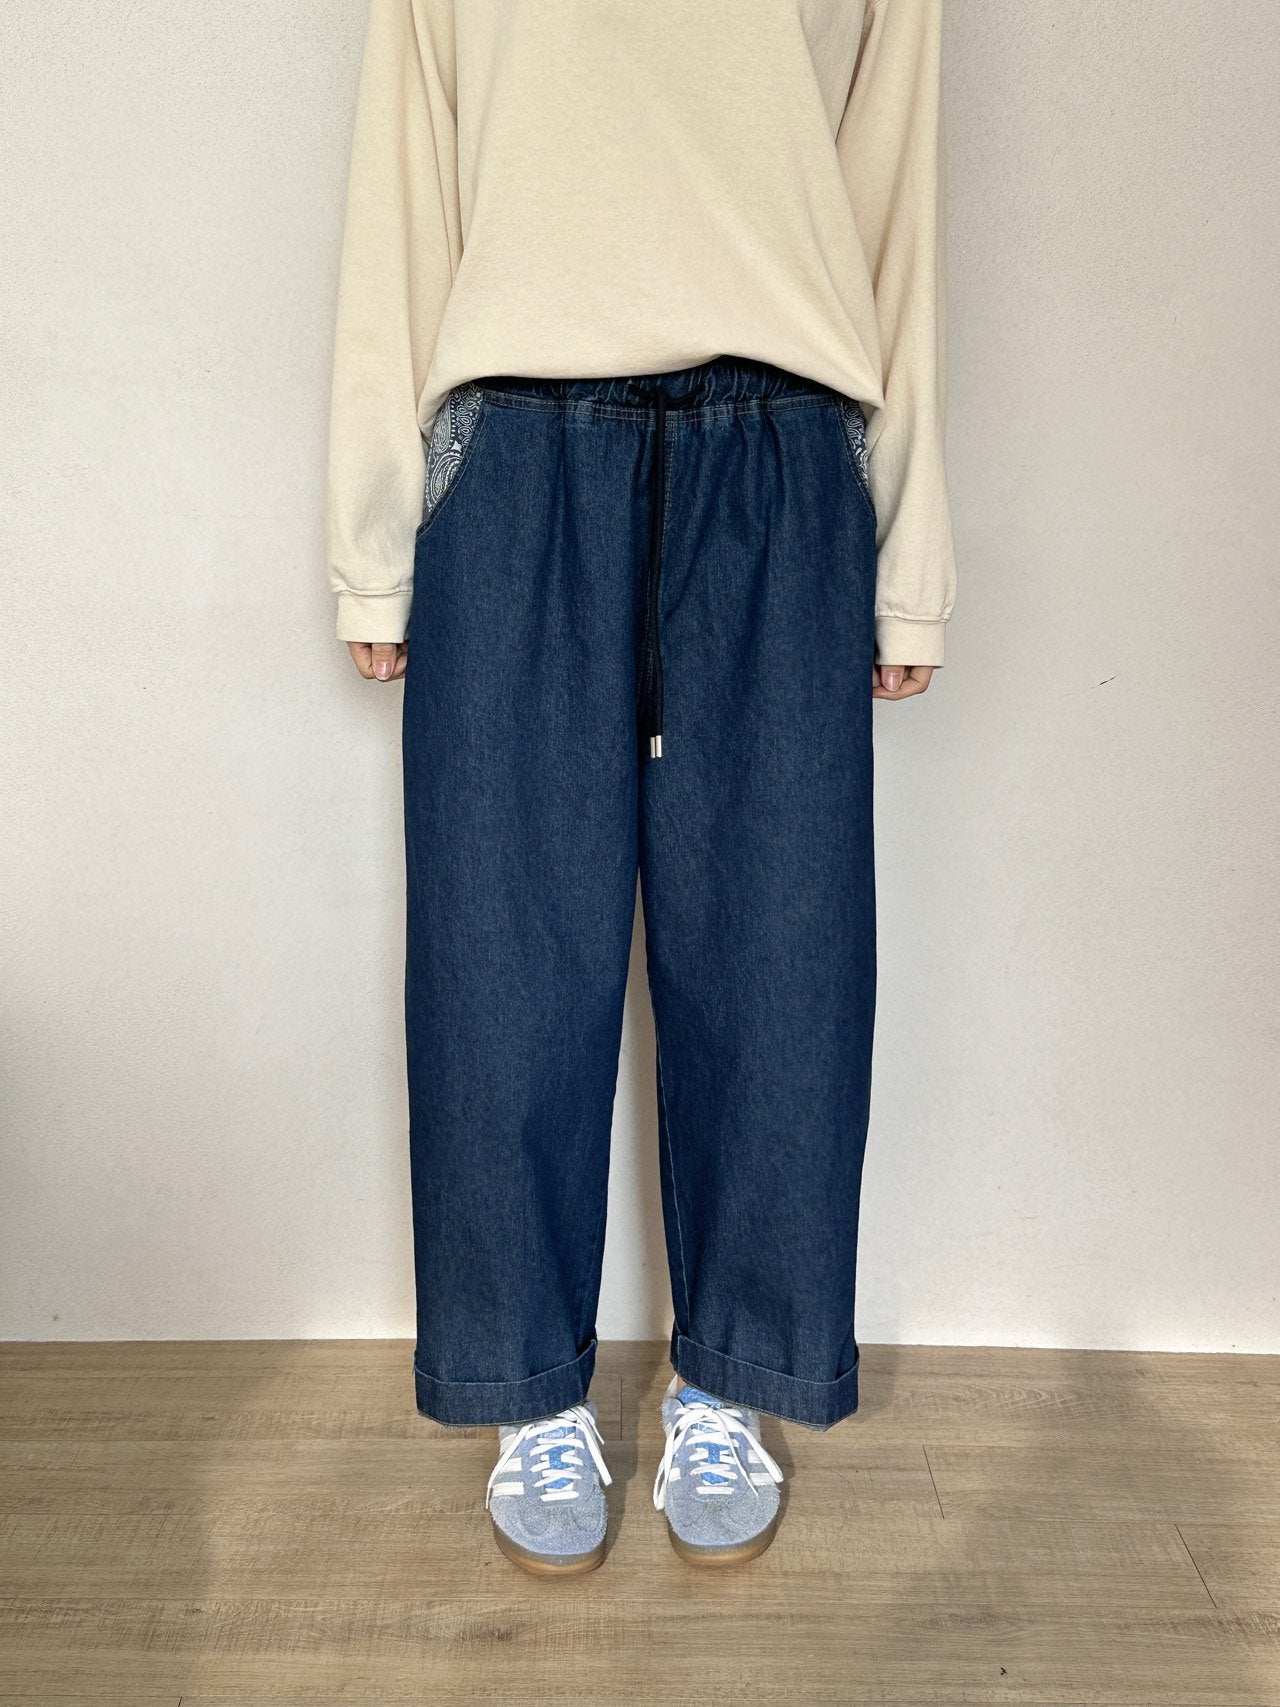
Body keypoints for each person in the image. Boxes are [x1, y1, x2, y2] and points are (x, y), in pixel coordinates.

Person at [326, 0, 956, 1576]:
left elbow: (895, 194)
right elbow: (404, 182)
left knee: (781, 952)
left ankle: (730, 1376)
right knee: (502, 957)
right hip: (516, 451)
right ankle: (527, 1389)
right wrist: (373, 537)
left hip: (787, 442)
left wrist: (909, 552)